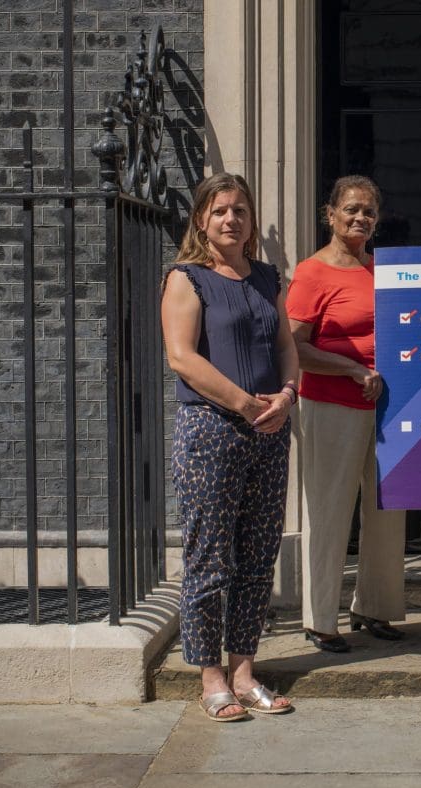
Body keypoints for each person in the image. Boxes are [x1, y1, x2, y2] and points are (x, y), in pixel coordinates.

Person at [162, 172, 298, 722]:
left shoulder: (267, 278)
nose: (231, 219)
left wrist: (287, 395)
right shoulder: (186, 278)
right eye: (220, 211)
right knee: (210, 555)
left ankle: (244, 670)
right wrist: (245, 404)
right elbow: (182, 357)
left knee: (258, 554)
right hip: (211, 430)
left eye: (240, 210)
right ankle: (210, 676)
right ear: (202, 219)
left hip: (271, 429)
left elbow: (288, 345)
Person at [288, 175, 406, 654]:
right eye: (352, 209)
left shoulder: (383, 269)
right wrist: (353, 369)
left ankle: (373, 607)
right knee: (331, 510)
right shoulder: (312, 273)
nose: (361, 218)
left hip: (387, 406)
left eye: (369, 212)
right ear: (330, 214)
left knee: (387, 509)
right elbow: (294, 348)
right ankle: (321, 620)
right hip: (331, 405)